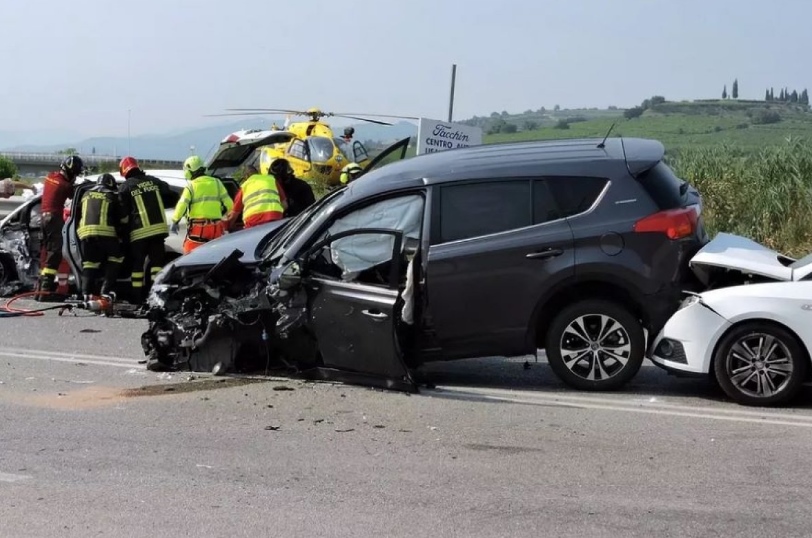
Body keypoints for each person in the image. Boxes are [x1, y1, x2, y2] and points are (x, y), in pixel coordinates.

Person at [118, 156, 173, 304]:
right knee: (156, 266)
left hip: (139, 233)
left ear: (124, 171)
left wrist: (122, 232)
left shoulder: (125, 187)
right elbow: (170, 193)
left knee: (137, 267)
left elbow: (122, 214)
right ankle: (155, 297)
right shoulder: (154, 181)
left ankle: (137, 298)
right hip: (158, 232)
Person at [37, 155, 84, 300]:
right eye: (75, 174)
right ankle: (45, 291)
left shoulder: (50, 177)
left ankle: (39, 291)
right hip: (54, 219)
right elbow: (75, 197)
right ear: (71, 172)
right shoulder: (65, 185)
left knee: (46, 254)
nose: (75, 177)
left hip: (43, 219)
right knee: (55, 254)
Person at [77, 173, 126, 300]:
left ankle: (86, 294)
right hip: (106, 232)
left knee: (90, 263)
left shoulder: (85, 194)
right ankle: (106, 290)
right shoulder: (111, 195)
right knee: (116, 257)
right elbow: (121, 218)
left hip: (85, 233)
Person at [170, 155, 233, 253]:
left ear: (190, 170)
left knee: (191, 254)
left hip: (199, 228)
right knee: (215, 253)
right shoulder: (217, 183)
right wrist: (224, 217)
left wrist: (175, 221)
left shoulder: (191, 186)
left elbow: (182, 205)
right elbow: (229, 204)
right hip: (216, 227)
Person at [222, 156, 286, 230]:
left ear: (246, 176)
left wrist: (228, 228)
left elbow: (234, 214)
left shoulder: (244, 187)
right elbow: (285, 204)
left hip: (253, 221)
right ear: (258, 173)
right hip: (275, 217)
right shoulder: (271, 180)